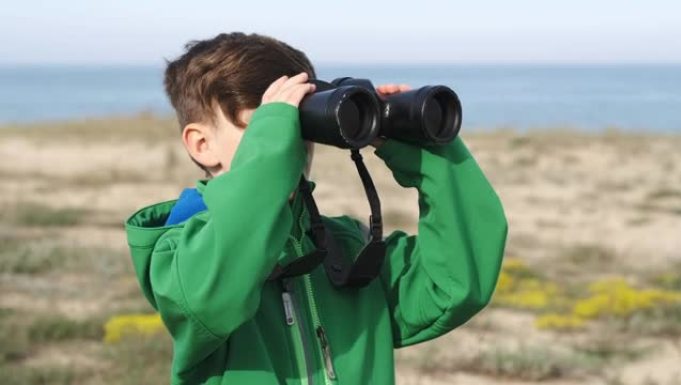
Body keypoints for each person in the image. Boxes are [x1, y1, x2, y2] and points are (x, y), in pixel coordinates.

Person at [125, 32, 508, 385]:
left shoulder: (345, 249)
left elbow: (456, 285)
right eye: (266, 129)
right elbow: (215, 290)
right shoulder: (179, 249)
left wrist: (428, 154)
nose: (289, 143)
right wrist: (273, 140)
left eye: (300, 126)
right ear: (201, 144)